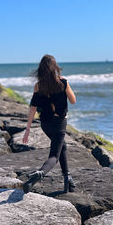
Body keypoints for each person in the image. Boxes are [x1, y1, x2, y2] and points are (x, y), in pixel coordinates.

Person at [22, 54, 76, 194]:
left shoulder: (38, 86)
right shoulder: (62, 82)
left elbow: (33, 109)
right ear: (54, 68)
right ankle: (40, 173)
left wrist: (27, 129)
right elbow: (73, 100)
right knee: (54, 156)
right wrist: (66, 85)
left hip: (45, 124)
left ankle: (67, 179)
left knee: (62, 147)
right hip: (59, 123)